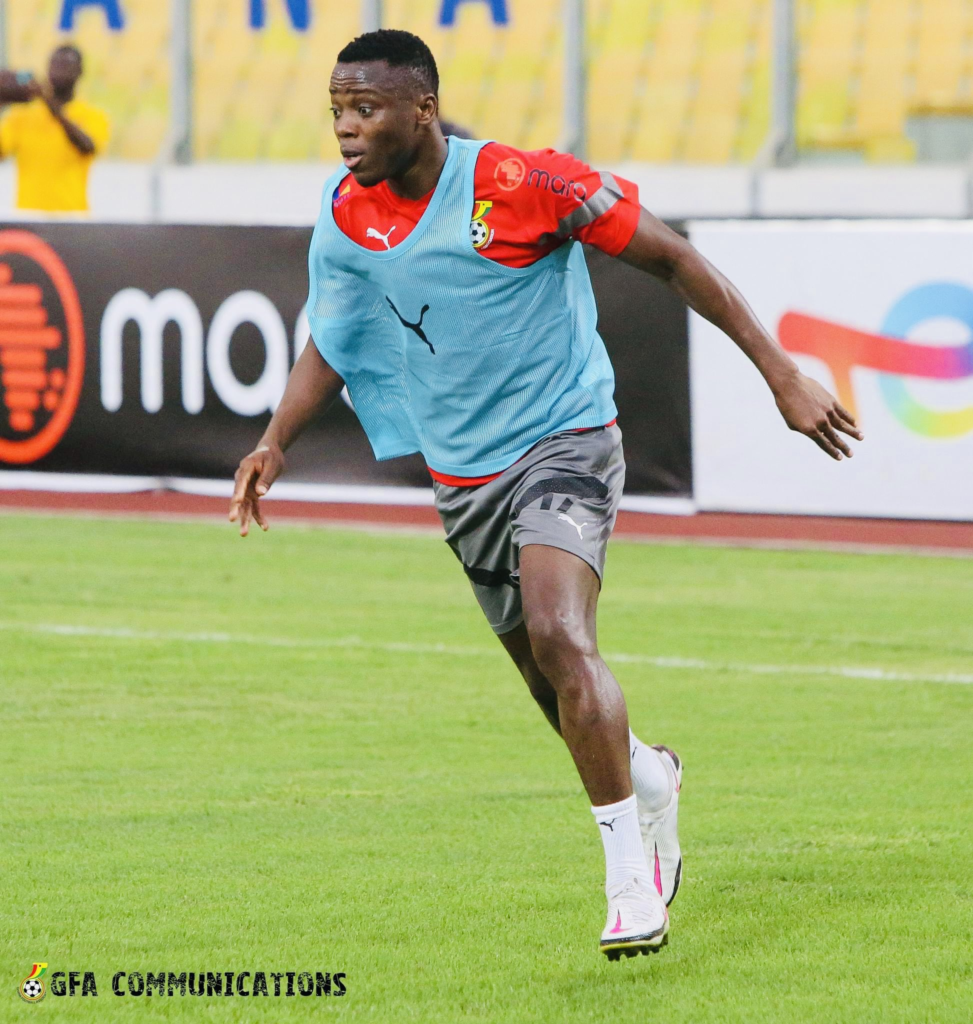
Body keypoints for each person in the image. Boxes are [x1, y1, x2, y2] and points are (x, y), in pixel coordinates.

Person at [229, 30, 863, 960]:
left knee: (565, 637)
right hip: (463, 476)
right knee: (545, 681)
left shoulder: (526, 184)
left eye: (364, 109)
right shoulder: (347, 213)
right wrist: (274, 440)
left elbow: (674, 259)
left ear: (421, 110)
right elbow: (336, 333)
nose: (346, 129)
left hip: (564, 439)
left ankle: (628, 890)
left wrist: (780, 376)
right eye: (337, 110)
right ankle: (648, 776)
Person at [0, 45, 109, 214]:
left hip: (72, 215)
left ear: (80, 71)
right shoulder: (23, 114)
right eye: (55, 64)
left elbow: (87, 147)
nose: (59, 71)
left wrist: (50, 104)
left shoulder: (92, 115)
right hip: (29, 215)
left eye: (66, 65)